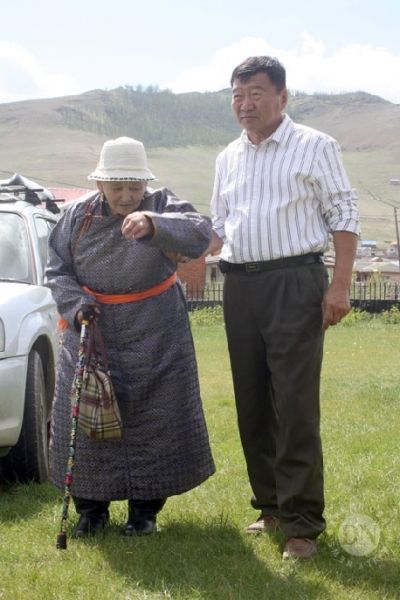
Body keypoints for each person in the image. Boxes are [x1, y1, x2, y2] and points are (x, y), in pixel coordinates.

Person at [209, 56, 359, 559]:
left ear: (282, 96)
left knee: (294, 403)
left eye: (255, 93)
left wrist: (339, 285)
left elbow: (344, 213)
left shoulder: (315, 146)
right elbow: (218, 227)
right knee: (251, 401)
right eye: (237, 95)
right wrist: (167, 239)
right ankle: (270, 506)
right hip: (239, 286)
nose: (245, 104)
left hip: (294, 282)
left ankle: (302, 522)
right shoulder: (227, 157)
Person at [46, 136, 215, 538]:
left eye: (134, 187)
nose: (126, 196)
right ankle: (92, 511)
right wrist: (76, 305)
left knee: (155, 420)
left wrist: (155, 224)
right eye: (117, 187)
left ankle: (145, 513)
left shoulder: (161, 204)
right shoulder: (77, 216)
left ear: (145, 184)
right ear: (100, 184)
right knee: (87, 422)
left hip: (156, 332)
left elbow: (200, 234)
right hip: (92, 330)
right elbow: (57, 270)